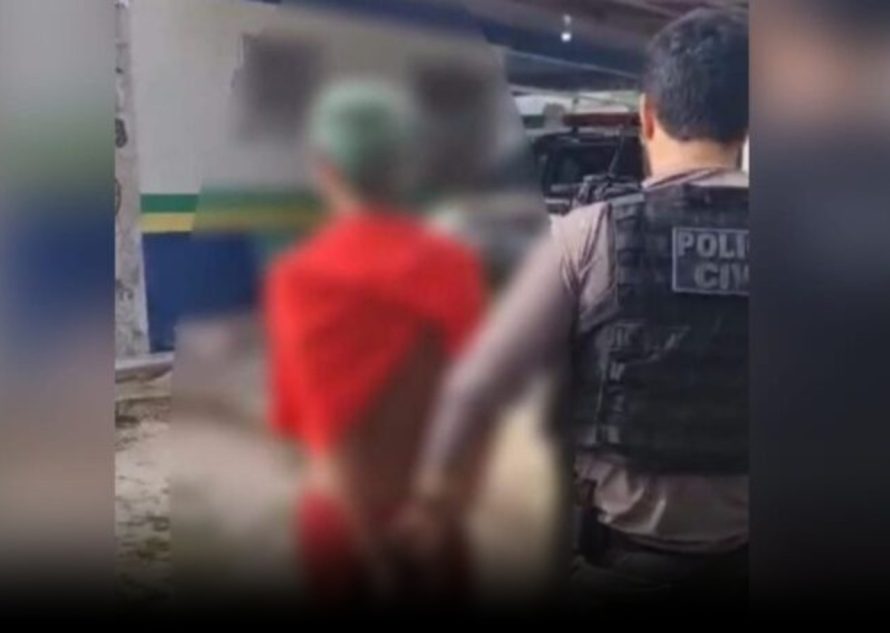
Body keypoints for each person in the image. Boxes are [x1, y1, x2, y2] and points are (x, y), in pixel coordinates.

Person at [395, 8, 750, 608]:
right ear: (748, 122)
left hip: (616, 565)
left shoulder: (587, 235)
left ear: (647, 116)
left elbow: (477, 389)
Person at [263, 80, 485, 603]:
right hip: (429, 524)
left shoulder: (302, 276)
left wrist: (370, 550)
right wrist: (444, 507)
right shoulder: (452, 266)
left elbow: (326, 426)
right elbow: (479, 403)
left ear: (325, 169)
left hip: (340, 531)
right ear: (405, 166)